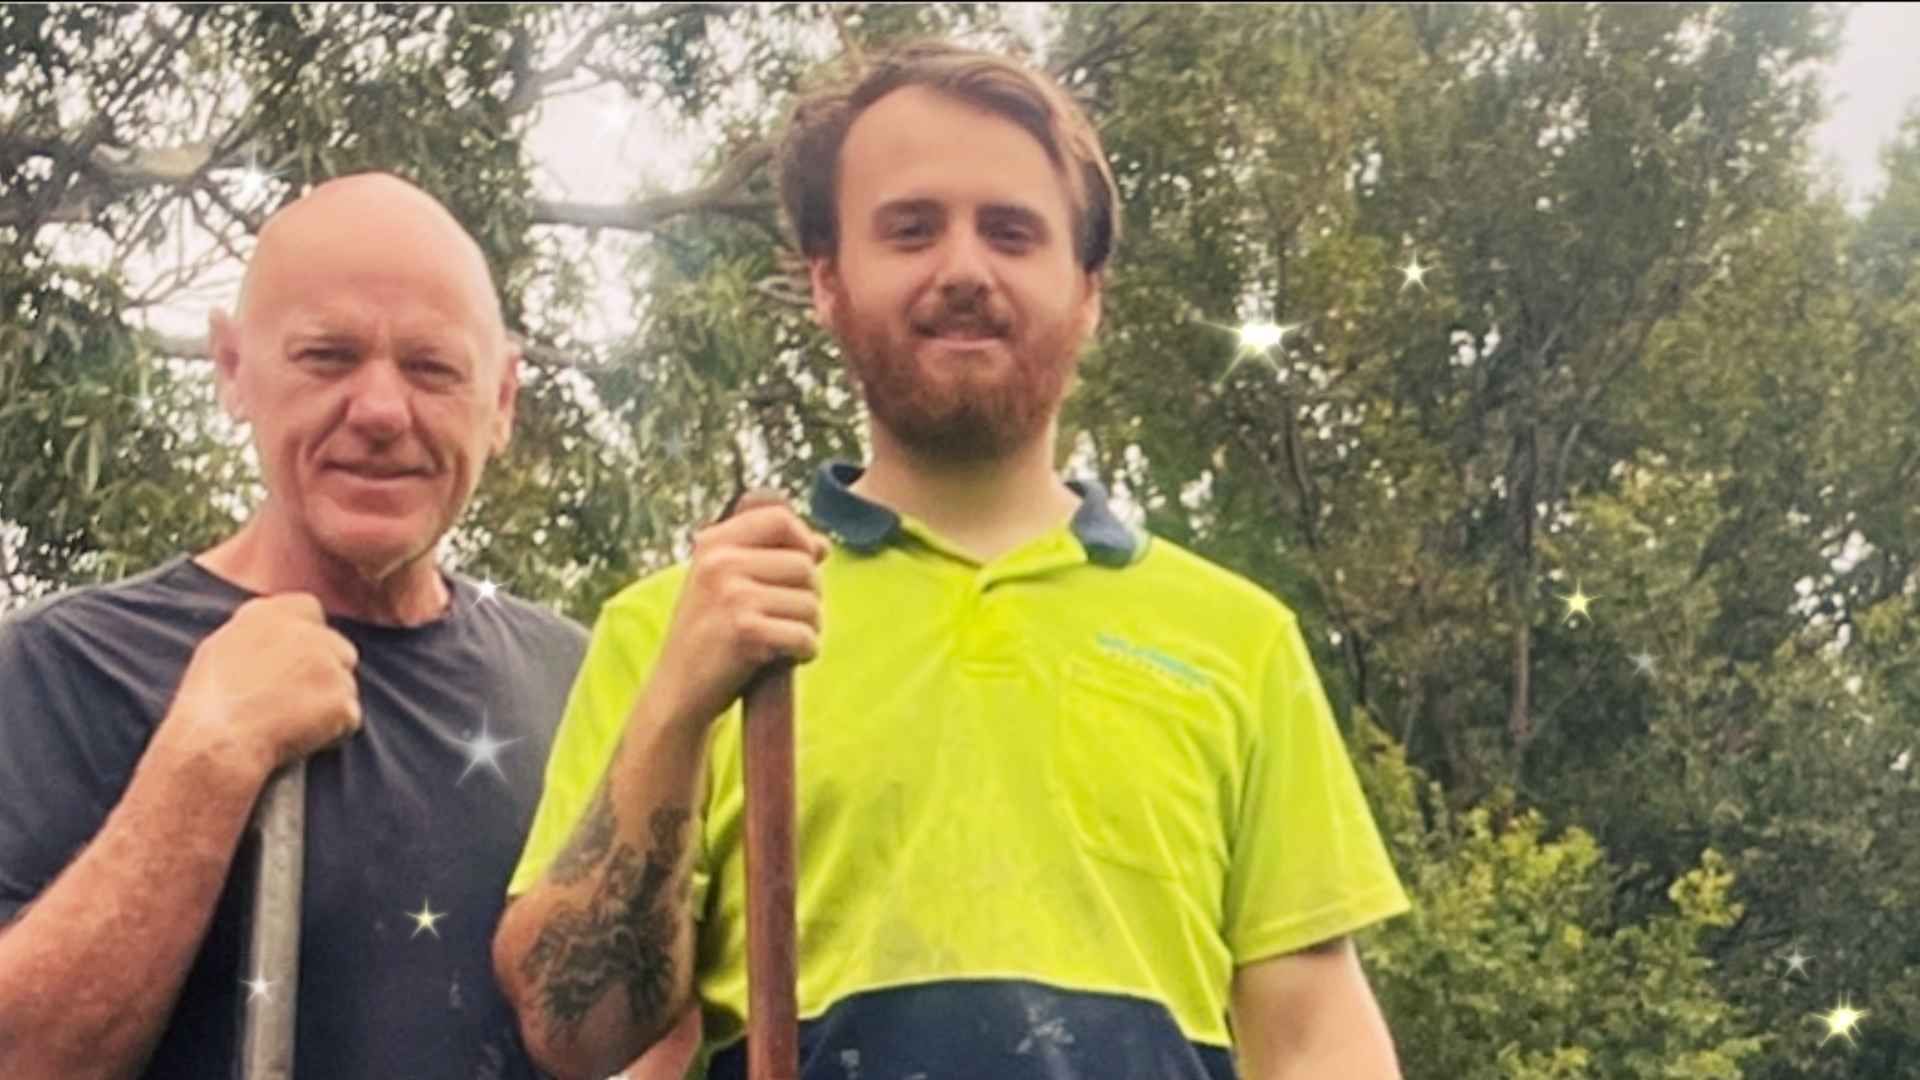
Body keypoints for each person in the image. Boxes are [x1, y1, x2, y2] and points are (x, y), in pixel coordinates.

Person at [495, 40, 1411, 1080]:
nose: (965, 269)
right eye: (912, 229)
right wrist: (676, 710)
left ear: (1088, 291)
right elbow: (578, 1035)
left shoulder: (1239, 642)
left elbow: (1314, 1037)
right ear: (829, 281)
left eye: (1011, 232)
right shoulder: (686, 625)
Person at [0, 173, 590, 1078]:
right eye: (327, 356)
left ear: (502, 400)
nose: (382, 411)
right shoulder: (66, 669)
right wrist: (205, 759)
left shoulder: (574, 680)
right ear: (233, 370)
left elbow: (659, 1023)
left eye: (432, 368)